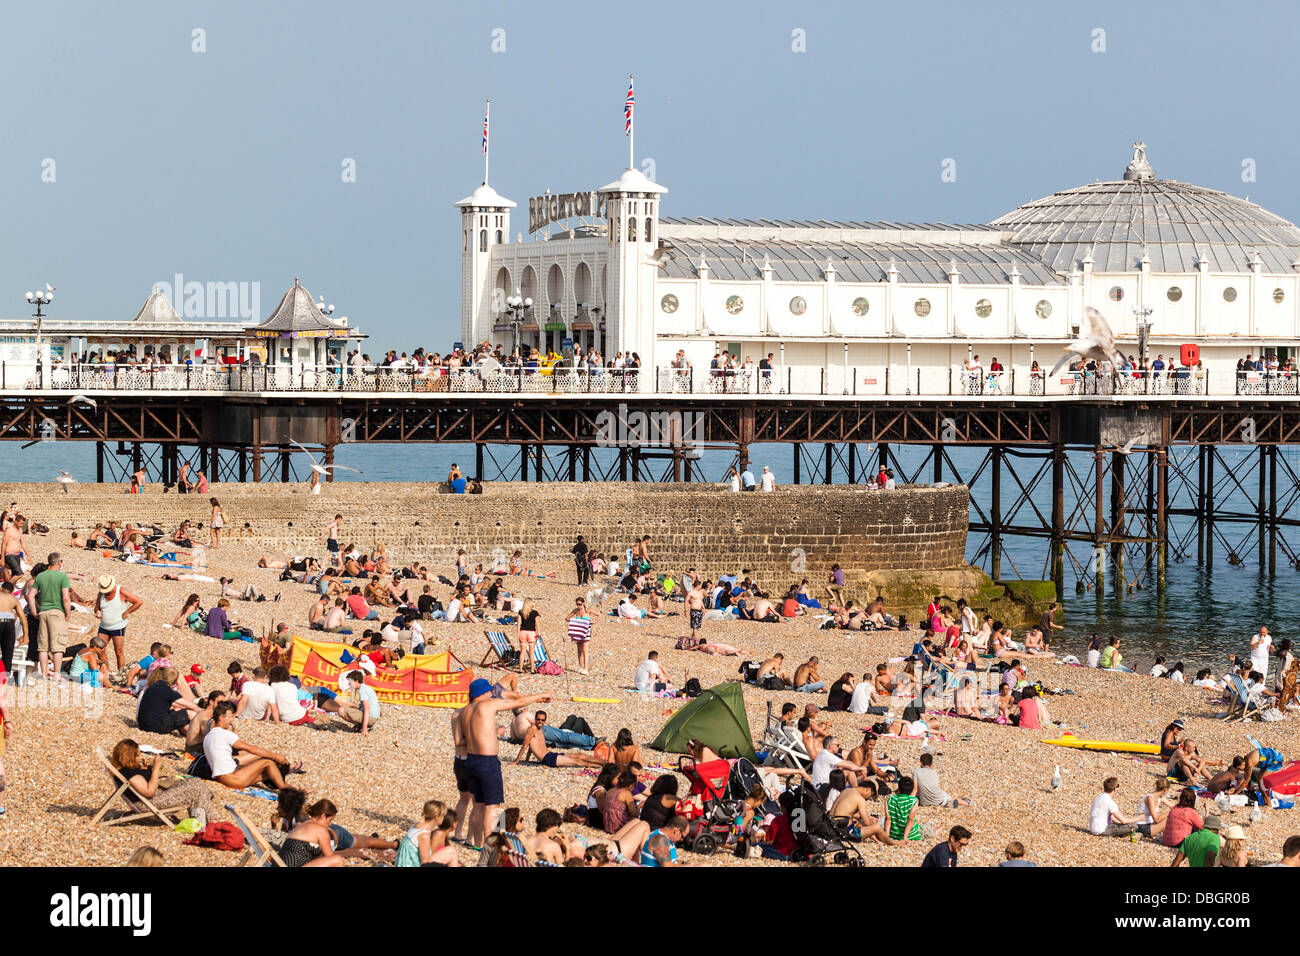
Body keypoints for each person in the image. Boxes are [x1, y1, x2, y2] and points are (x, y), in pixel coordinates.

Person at [456, 678, 550, 847]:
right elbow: (518, 703)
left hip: (470, 761)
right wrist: (541, 695)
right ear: (483, 693)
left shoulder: (464, 711)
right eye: (489, 691)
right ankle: (489, 846)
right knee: (492, 807)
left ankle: (476, 843)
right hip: (487, 762)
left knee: (478, 805)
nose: (492, 693)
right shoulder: (486, 705)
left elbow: (463, 738)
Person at [109, 738, 215, 823]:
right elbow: (150, 792)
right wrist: (155, 769)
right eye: (138, 755)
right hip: (150, 804)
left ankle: (204, 820)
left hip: (156, 797)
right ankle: (205, 823)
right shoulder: (130, 775)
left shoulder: (128, 769)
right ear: (129, 758)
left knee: (195, 782)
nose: (140, 757)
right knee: (196, 787)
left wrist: (149, 768)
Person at [203, 700, 294, 790]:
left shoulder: (208, 737)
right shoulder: (224, 733)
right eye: (231, 717)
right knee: (268, 762)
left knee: (269, 772)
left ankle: (294, 790)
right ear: (221, 718)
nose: (232, 720)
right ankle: (285, 790)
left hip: (223, 777)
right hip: (233, 779)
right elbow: (251, 749)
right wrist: (276, 756)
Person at [34, 552, 86, 680]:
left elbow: (31, 595)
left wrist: (35, 611)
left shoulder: (40, 576)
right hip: (57, 612)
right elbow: (66, 598)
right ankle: (57, 674)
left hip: (43, 611)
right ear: (59, 563)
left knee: (43, 646)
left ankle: (44, 673)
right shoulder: (62, 577)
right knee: (58, 645)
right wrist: (68, 614)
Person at [515, 711, 606, 769]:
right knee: (578, 762)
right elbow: (525, 745)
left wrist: (527, 760)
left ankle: (605, 763)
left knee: (580, 755)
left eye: (542, 720)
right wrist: (517, 761)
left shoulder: (540, 730)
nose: (540, 722)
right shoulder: (532, 729)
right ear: (535, 719)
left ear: (545, 721)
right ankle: (601, 767)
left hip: (551, 754)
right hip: (548, 759)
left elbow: (532, 746)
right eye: (538, 719)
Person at [94, 574, 143, 671]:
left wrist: (127, 612)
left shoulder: (121, 591)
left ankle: (121, 675)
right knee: (99, 650)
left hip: (118, 626)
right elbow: (96, 607)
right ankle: (106, 671)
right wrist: (98, 612)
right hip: (104, 626)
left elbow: (138, 602)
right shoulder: (101, 593)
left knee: (119, 651)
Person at [280, 799, 347, 867]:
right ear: (323, 816)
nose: (330, 824)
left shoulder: (302, 825)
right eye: (330, 820)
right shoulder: (320, 830)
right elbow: (330, 857)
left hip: (280, 864)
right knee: (337, 860)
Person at [395, 799, 460, 867]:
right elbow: (425, 863)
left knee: (450, 853)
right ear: (436, 816)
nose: (443, 818)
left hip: (403, 863)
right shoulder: (424, 835)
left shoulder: (416, 826)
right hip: (412, 864)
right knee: (451, 852)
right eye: (442, 816)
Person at [320, 669, 380, 735]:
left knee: (341, 710)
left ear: (356, 681)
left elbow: (367, 709)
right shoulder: (366, 687)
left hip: (371, 718)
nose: (349, 684)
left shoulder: (362, 691)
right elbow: (373, 702)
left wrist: (364, 729)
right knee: (351, 708)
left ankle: (364, 726)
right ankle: (365, 725)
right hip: (374, 716)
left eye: (350, 682)